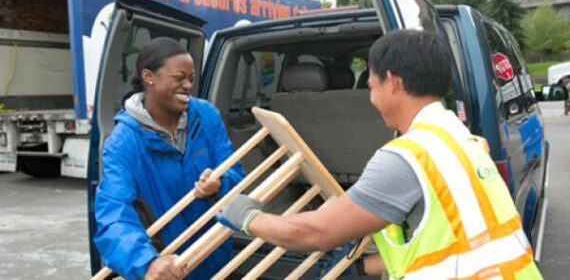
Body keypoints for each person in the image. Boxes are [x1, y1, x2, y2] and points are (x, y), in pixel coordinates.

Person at [218, 30, 543, 279]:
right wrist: (364, 267)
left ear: (394, 82)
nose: (370, 98)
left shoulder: (407, 156)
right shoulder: (461, 137)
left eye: (371, 86)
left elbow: (315, 232)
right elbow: (443, 240)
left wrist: (250, 219)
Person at [94, 37, 245, 280]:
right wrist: (146, 263)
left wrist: (220, 184)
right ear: (148, 76)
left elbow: (236, 173)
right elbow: (114, 215)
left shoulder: (206, 116)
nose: (187, 85)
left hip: (216, 256)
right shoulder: (122, 143)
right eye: (179, 78)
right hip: (168, 267)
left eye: (191, 79)